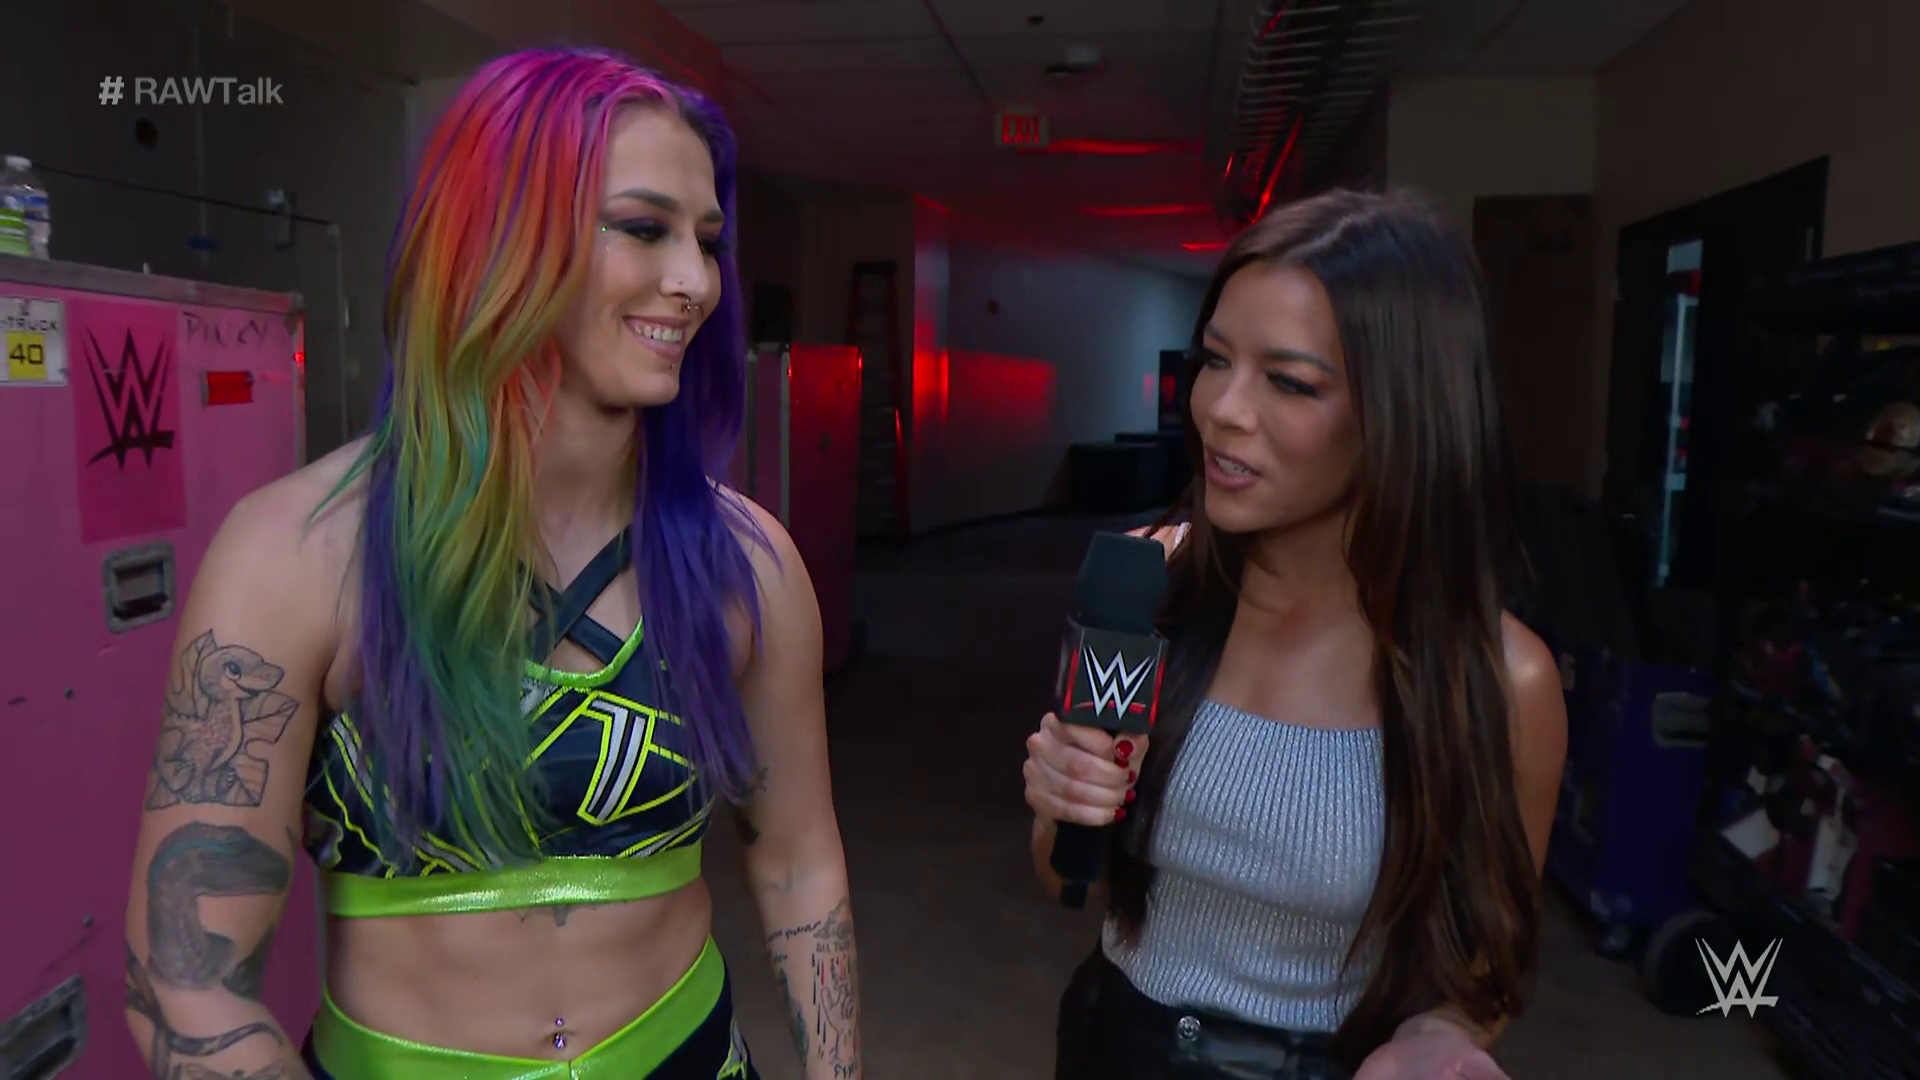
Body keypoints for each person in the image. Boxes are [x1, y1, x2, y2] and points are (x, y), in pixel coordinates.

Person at [121, 48, 862, 1080]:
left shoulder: (748, 564)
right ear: (499, 236)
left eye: (706, 240)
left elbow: (797, 865)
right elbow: (184, 976)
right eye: (643, 229)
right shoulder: (295, 555)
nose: (695, 282)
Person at [1022, 189, 1567, 1080]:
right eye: (1215, 360)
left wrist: (1435, 1042)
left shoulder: (1502, 680)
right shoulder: (1148, 585)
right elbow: (1066, 880)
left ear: (1403, 411)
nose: (1222, 410)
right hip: (1108, 1045)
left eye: (1289, 381)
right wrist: (1061, 807)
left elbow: (1481, 977)